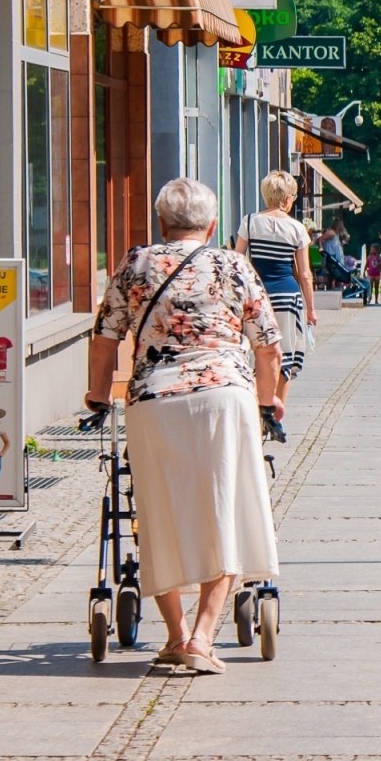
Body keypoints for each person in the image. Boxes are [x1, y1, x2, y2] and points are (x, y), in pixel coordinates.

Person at [85, 177, 284, 675]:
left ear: (161, 224)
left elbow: (104, 339)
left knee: (159, 512)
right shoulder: (233, 266)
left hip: (154, 401)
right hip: (225, 398)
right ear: (213, 225)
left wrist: (95, 394)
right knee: (228, 511)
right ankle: (201, 637)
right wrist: (267, 403)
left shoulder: (136, 264)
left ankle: (174, 634)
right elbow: (269, 346)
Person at [236, 172, 318, 407]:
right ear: (287, 198)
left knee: (255, 351)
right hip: (288, 298)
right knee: (286, 356)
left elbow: (237, 261)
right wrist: (311, 310)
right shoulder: (297, 228)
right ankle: (274, 413)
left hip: (257, 296)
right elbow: (304, 274)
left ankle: (254, 407)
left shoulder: (249, 222)